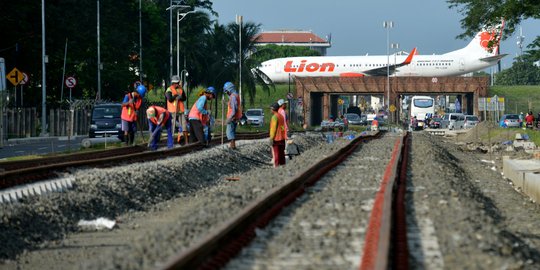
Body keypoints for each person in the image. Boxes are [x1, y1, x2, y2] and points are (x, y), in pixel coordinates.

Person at [165, 75, 188, 144]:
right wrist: (175, 96)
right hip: (172, 111)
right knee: (173, 126)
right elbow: (170, 99)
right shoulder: (169, 89)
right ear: (173, 83)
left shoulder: (181, 89)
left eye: (177, 83)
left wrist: (180, 97)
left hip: (180, 110)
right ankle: (171, 142)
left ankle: (185, 141)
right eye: (175, 83)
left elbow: (184, 98)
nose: (177, 84)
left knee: (184, 126)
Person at [223, 82, 243, 149]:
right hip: (235, 116)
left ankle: (232, 146)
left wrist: (230, 117)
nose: (227, 93)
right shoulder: (236, 95)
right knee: (232, 131)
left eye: (227, 91)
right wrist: (226, 103)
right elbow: (232, 105)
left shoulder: (233, 96)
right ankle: (232, 145)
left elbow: (234, 109)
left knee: (229, 131)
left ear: (230, 89)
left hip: (232, 117)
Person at [269, 102, 286, 167]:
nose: (270, 110)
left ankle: (276, 167)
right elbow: (282, 127)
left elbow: (273, 129)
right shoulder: (281, 116)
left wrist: (271, 138)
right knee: (282, 154)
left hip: (276, 139)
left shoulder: (274, 117)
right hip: (282, 138)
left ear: (273, 109)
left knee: (276, 154)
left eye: (271, 109)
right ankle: (283, 166)